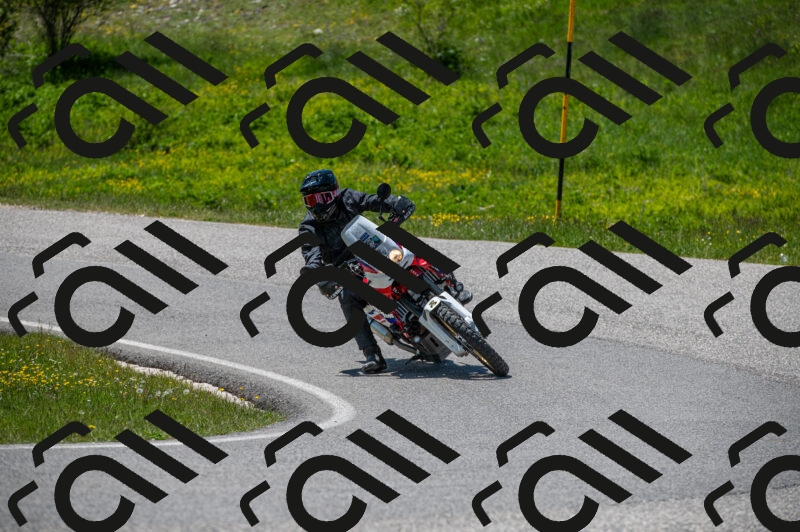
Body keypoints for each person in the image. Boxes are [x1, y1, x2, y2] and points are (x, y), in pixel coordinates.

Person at [297, 169, 470, 374]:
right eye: (310, 200)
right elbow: (311, 255)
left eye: (321, 198)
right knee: (346, 297)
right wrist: (316, 273)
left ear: (334, 194)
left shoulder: (347, 198)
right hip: (351, 271)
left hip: (374, 249)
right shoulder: (309, 227)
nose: (316, 205)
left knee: (405, 242)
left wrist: (394, 204)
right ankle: (372, 354)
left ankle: (453, 284)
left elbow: (371, 201)